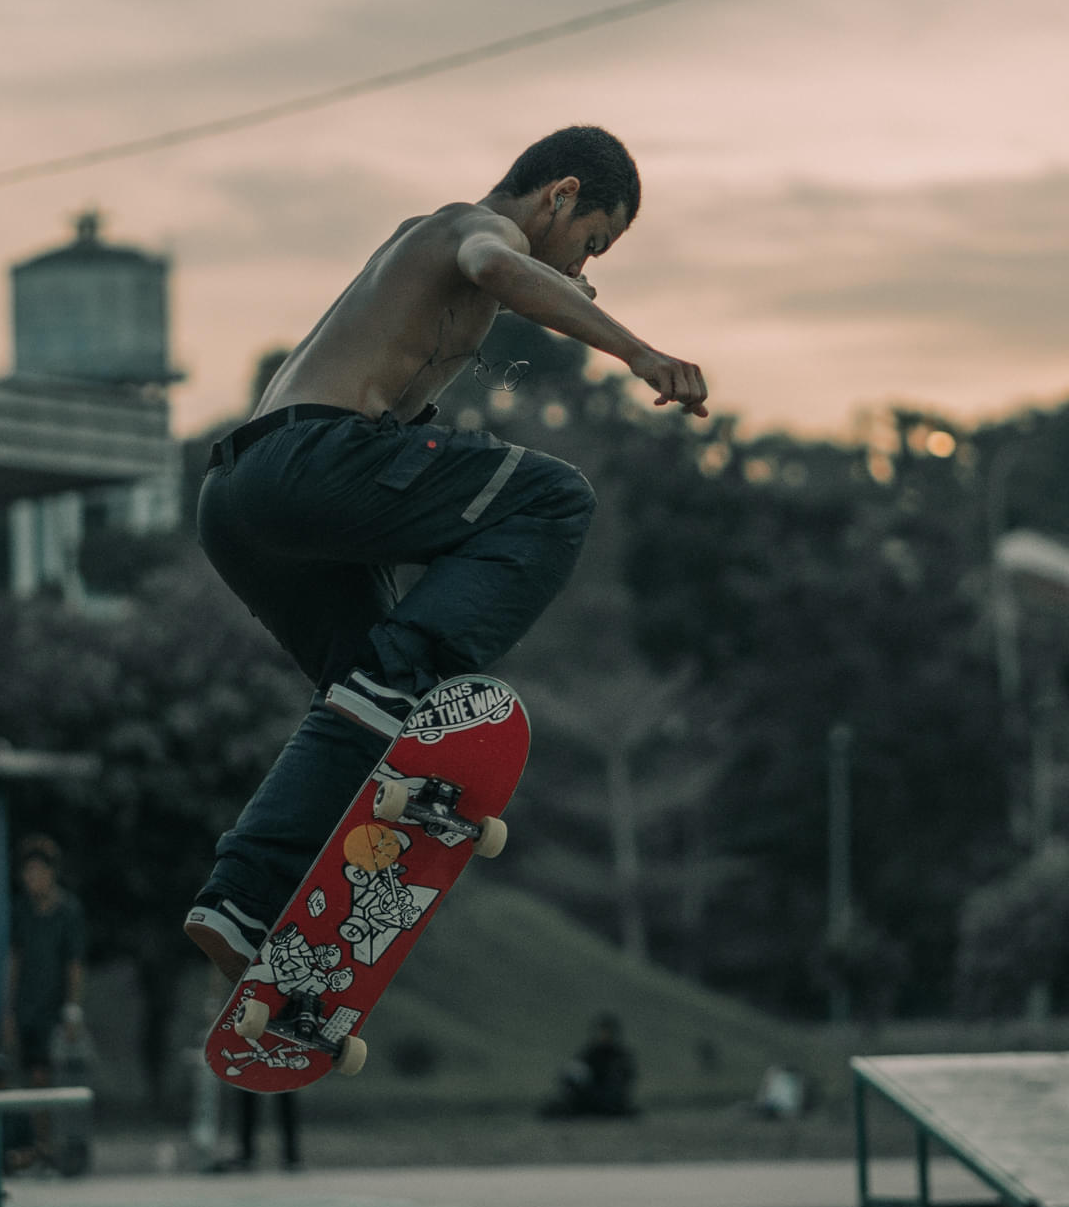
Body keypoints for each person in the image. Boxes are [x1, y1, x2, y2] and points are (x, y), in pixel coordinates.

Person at [181, 128, 708, 1075]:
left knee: (360, 705)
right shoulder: (468, 229)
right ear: (559, 196)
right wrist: (639, 353)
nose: (588, 266)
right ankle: (409, 676)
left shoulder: (410, 263)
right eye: (593, 241)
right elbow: (493, 263)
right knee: (554, 498)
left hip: (241, 500)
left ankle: (240, 899)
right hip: (307, 465)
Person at [3, 836, 89, 1084]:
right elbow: (14, 960)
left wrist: (73, 1009)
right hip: (26, 1006)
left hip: (54, 1009)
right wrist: (8, 1010)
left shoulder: (68, 911)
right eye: (27, 871)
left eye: (38, 871)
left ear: (51, 873)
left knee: (47, 1075)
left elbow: (74, 963)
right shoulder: (20, 911)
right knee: (26, 1074)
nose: (32, 878)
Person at [542, 1012, 642, 1119]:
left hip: (610, 1099)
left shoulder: (619, 1055)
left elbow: (626, 1080)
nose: (604, 1035)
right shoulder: (590, 1053)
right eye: (602, 1031)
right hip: (589, 1095)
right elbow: (577, 1072)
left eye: (607, 1031)